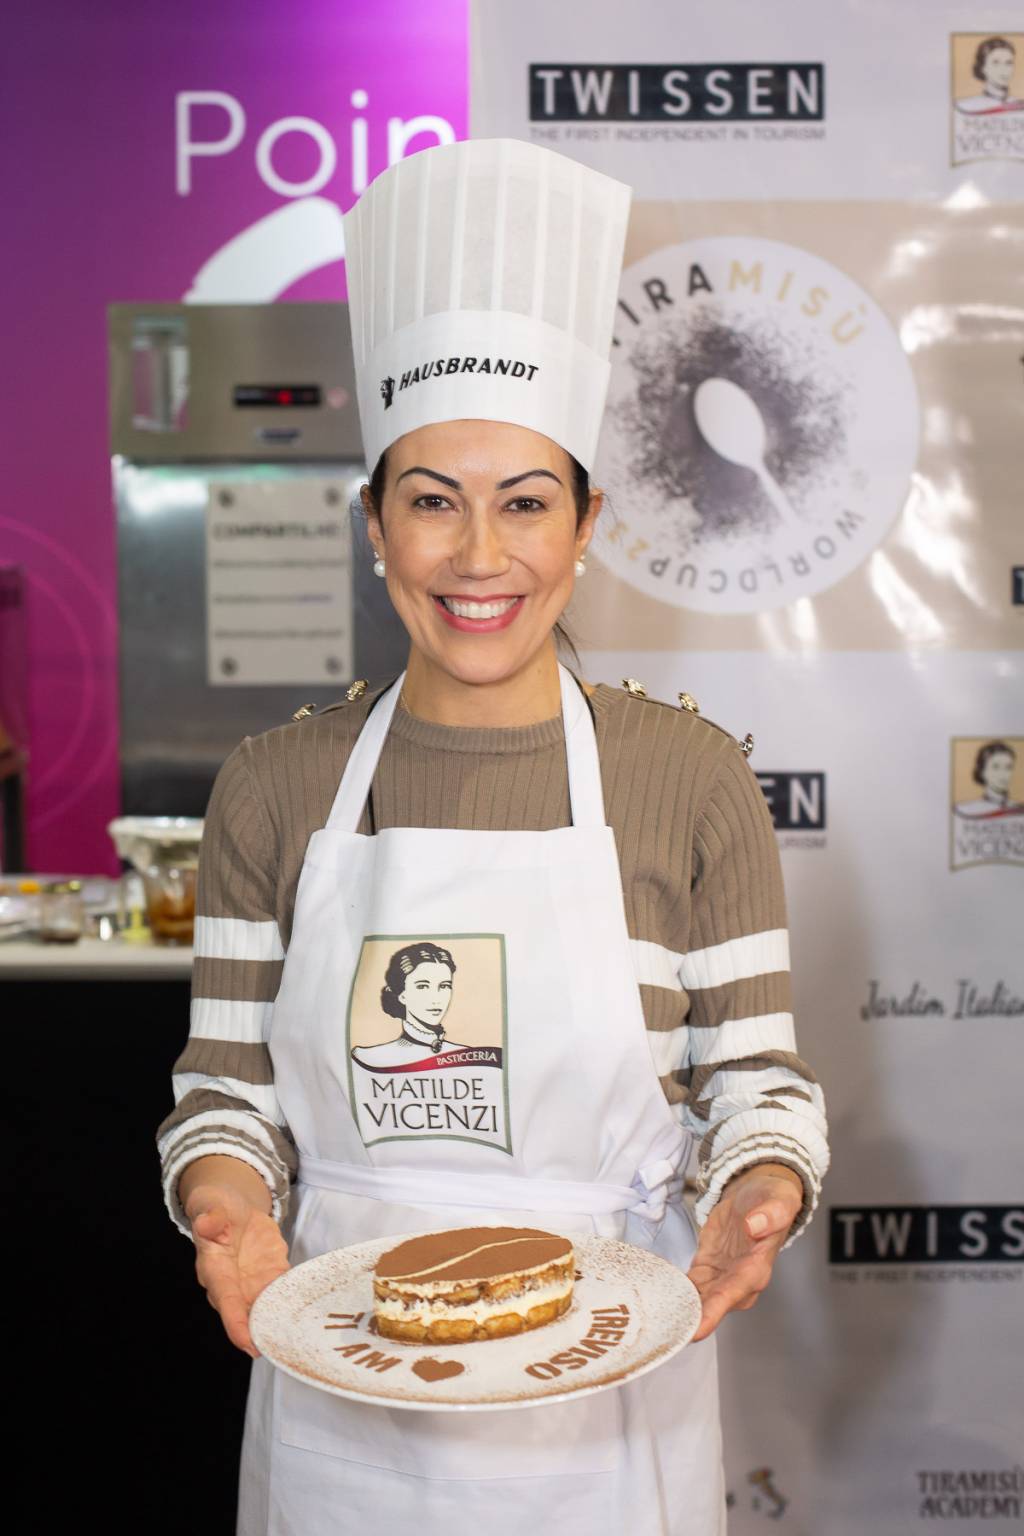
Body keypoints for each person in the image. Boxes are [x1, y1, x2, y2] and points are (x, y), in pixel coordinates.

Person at [157, 138, 829, 1535]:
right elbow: (224, 1090)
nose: (479, 558)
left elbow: (756, 1074)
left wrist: (763, 1180)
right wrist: (225, 1202)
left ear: (586, 522)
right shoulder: (275, 787)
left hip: (613, 1388)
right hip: (345, 1385)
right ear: (375, 527)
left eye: (525, 501)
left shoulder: (691, 777)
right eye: (431, 500)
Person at [350, 941, 468, 1067]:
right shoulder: (366, 1058)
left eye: (444, 986)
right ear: (402, 995)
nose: (436, 998)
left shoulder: (470, 1056)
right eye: (423, 986)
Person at [954, 740, 1024, 819]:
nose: (1003, 774)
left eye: (1008, 767)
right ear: (982, 771)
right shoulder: (964, 810)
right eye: (995, 767)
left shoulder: (1019, 809)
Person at [955, 36, 1024, 115]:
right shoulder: (964, 106)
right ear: (983, 67)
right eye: (996, 63)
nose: (1004, 69)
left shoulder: (1020, 106)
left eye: (1008, 63)